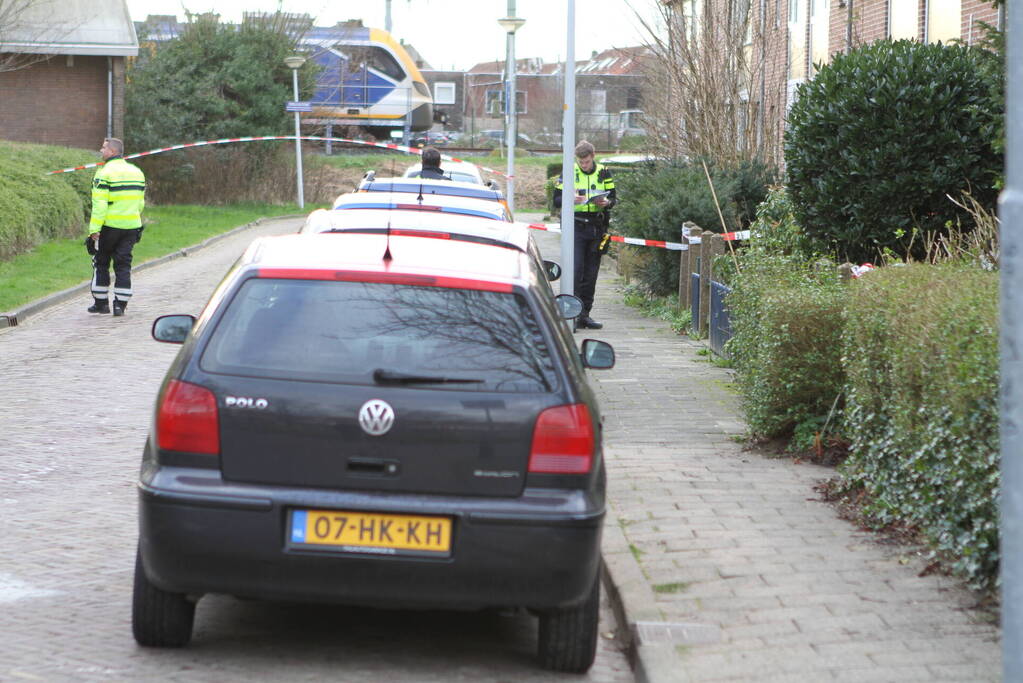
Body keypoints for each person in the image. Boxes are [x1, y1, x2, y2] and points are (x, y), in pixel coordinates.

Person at [553, 140, 616, 330]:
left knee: (591, 273)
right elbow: (556, 200)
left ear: (593, 157)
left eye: (587, 162)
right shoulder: (569, 171)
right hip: (576, 225)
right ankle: (572, 313)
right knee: (575, 270)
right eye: (581, 162)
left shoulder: (604, 172)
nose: (584, 165)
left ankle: (585, 315)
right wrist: (570, 199)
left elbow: (613, 197)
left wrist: (607, 203)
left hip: (596, 227)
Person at [87, 138, 146, 317]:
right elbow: (140, 203)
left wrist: (94, 230)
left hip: (109, 227)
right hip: (131, 226)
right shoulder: (137, 172)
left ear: (112, 152)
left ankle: (101, 303)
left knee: (101, 262)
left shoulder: (104, 173)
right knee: (123, 264)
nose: (101, 150)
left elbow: (100, 204)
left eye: (103, 147)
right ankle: (120, 304)